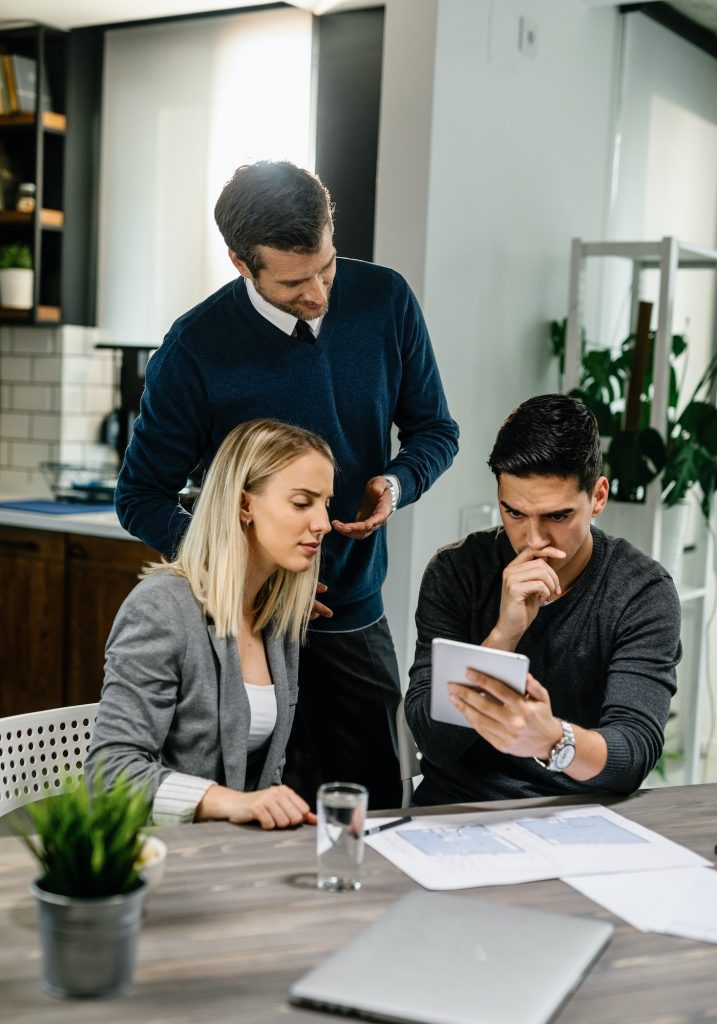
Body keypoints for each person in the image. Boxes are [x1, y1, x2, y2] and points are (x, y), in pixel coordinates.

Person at [114, 160, 459, 808]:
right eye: (296, 281)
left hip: (351, 616)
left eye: (326, 267)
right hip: (246, 628)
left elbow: (435, 430)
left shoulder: (385, 299)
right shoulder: (195, 348)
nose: (321, 293)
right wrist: (243, 567)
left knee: (374, 812)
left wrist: (396, 482)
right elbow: (138, 498)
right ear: (242, 264)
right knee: (254, 810)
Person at [404, 394, 681, 805]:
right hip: (458, 808)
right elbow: (434, 740)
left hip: (581, 815)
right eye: (514, 513)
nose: (533, 540)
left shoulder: (642, 591)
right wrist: (503, 636)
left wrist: (553, 739)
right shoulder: (457, 572)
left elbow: (633, 754)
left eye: (557, 516)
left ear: (598, 497)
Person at [87, 418, 334, 829]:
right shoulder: (161, 609)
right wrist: (233, 803)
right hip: (158, 856)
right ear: (244, 505)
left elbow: (265, 775)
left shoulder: (277, 618)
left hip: (232, 856)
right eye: (302, 503)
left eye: (326, 503)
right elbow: (111, 776)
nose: (323, 523)